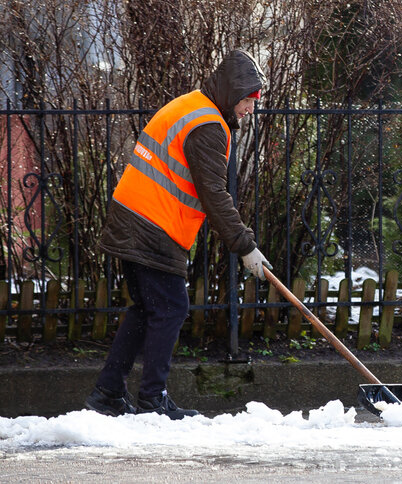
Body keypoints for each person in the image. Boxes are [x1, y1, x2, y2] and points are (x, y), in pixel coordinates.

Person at [85, 50, 272, 420]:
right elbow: (215, 195)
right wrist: (245, 245)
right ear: (233, 92)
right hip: (152, 225)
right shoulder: (207, 126)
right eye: (249, 101)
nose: (251, 110)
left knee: (146, 310)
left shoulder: (192, 105)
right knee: (171, 308)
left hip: (132, 217)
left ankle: (107, 393)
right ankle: (152, 401)